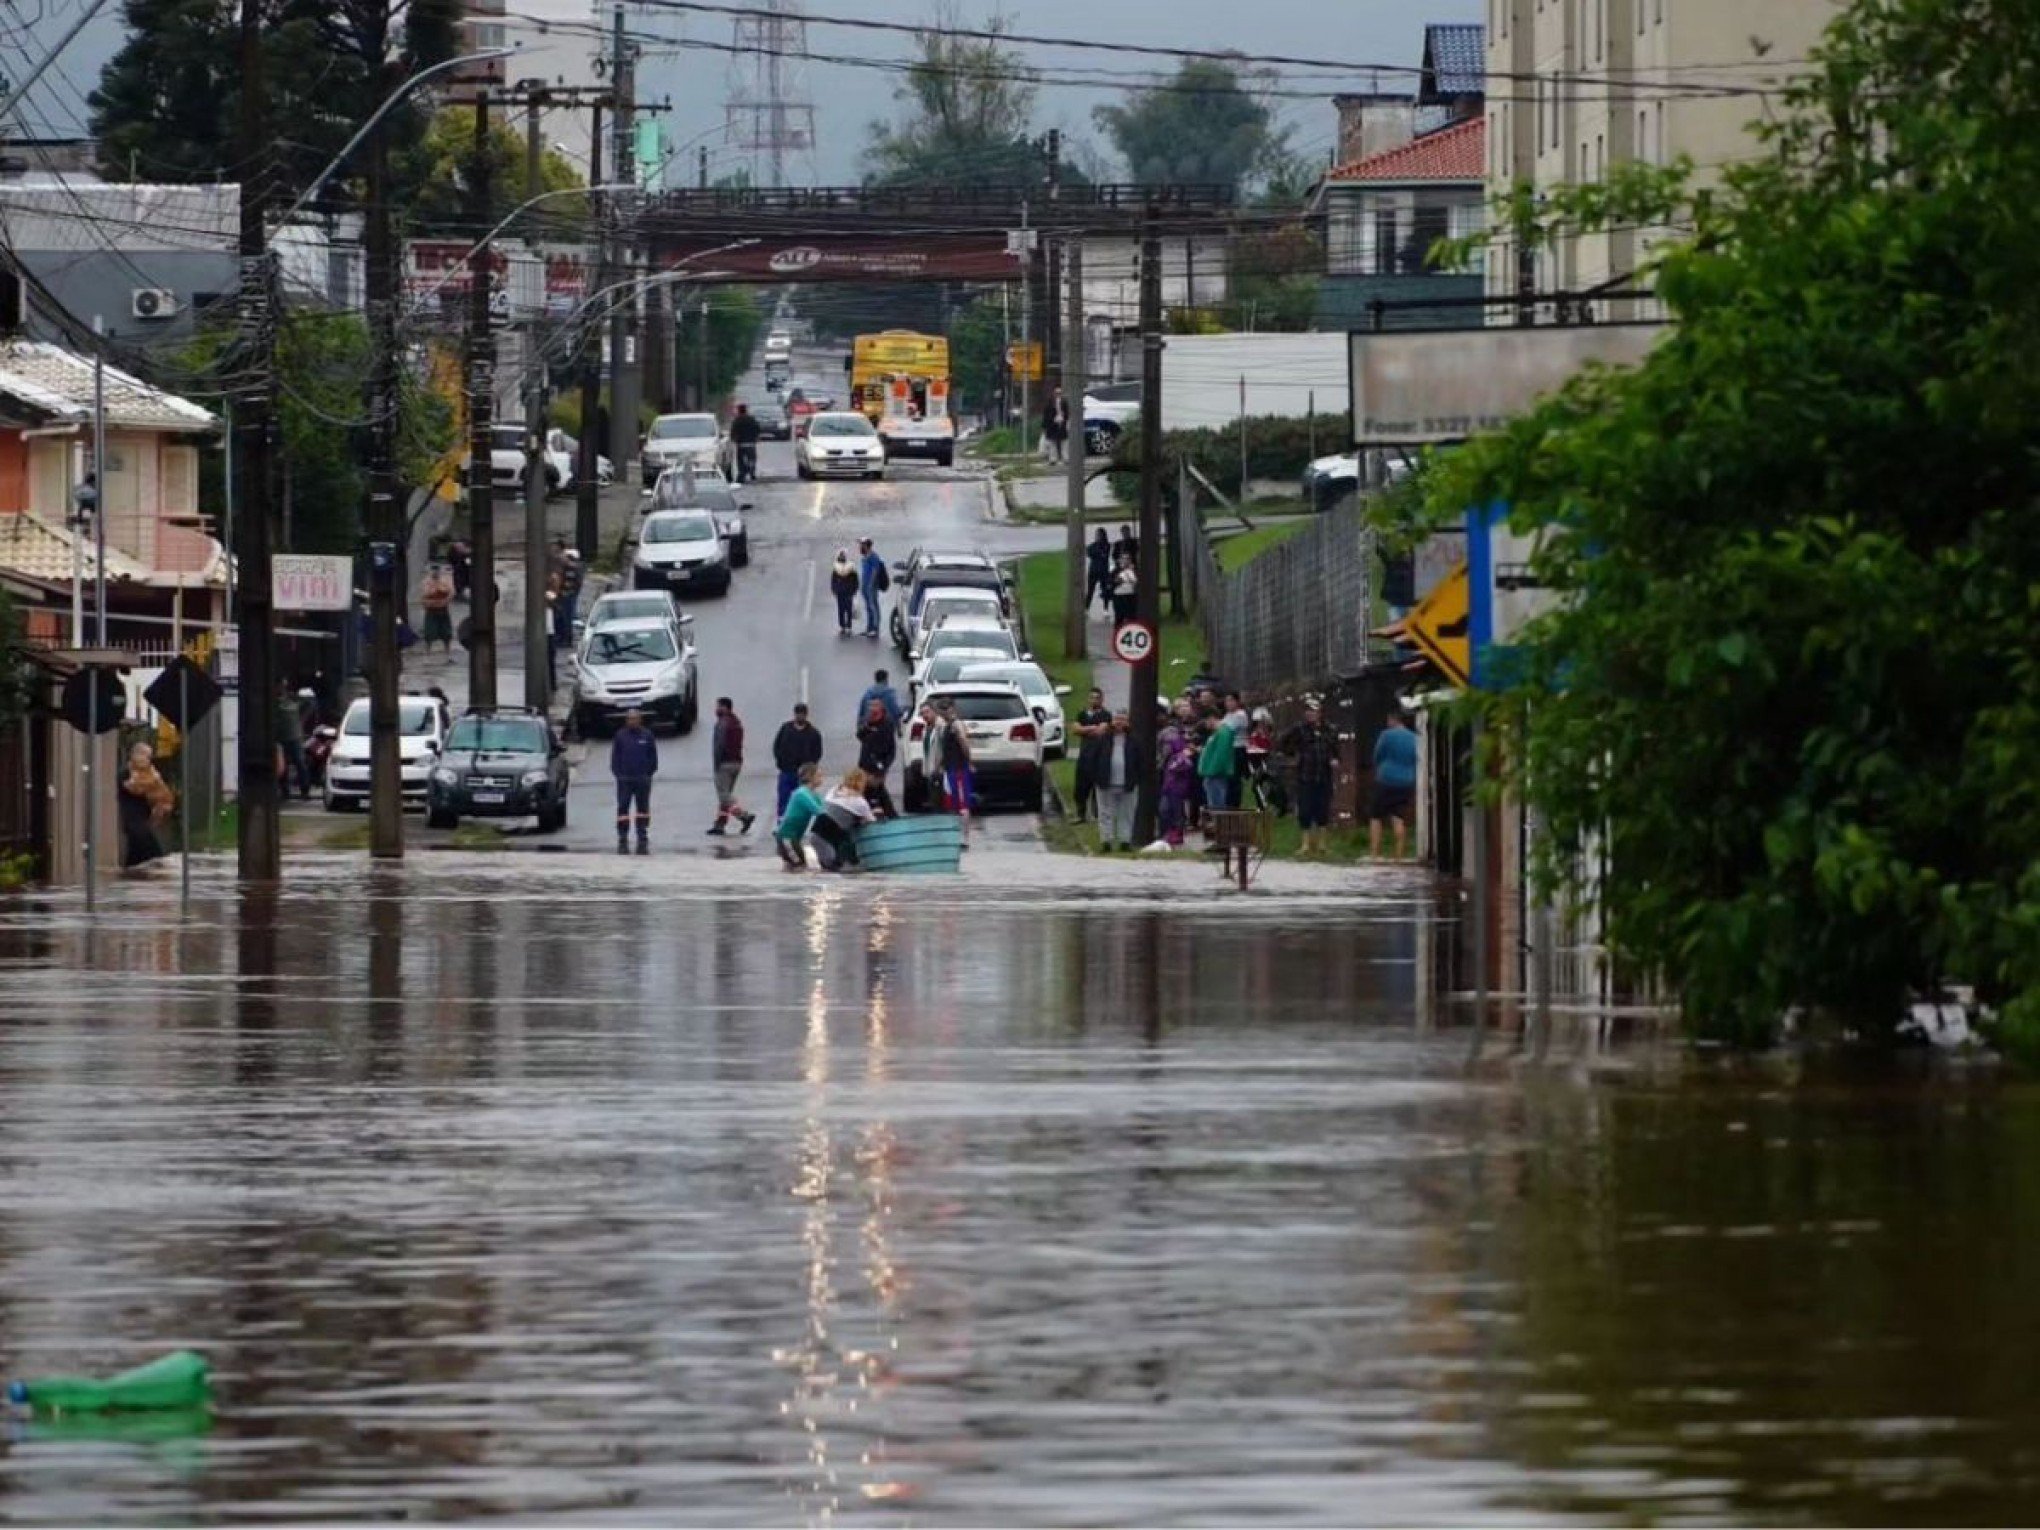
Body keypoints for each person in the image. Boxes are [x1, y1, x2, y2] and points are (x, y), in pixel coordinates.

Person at [1283, 700, 1340, 855]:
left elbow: (1335, 750)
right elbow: (1283, 742)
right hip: (1305, 775)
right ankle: (1305, 844)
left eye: (1313, 711)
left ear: (1320, 713)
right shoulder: (1299, 729)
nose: (1310, 714)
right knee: (1305, 809)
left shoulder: (1330, 730)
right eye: (1308, 711)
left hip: (1323, 775)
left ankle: (1322, 844)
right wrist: (1293, 755)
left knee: (1323, 809)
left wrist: (1334, 759)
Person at [1093, 709, 1148, 853]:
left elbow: (1141, 762)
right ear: (1112, 721)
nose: (1119, 722)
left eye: (1123, 719)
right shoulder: (1103, 739)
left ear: (1127, 722)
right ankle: (1106, 841)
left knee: (1127, 813)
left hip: (1127, 783)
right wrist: (1096, 777)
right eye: (1117, 719)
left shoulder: (1135, 740)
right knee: (1105, 813)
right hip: (1105, 782)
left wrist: (1137, 779)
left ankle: (1125, 841)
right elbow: (1093, 758)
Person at [1369, 708, 1419, 859]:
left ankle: (1375, 853)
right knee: (1398, 816)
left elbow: (1377, 755)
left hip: (1386, 779)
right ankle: (1399, 854)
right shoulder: (1414, 738)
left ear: (1392, 719)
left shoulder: (1386, 735)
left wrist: (1379, 767)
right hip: (1406, 781)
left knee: (1376, 816)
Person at [706, 696, 757, 836]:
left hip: (724, 763)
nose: (716, 709)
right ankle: (720, 824)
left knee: (724, 795)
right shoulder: (736, 722)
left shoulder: (723, 723)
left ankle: (744, 816)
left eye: (718, 706)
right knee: (726, 795)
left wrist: (717, 763)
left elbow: (719, 745)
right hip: (736, 763)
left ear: (725, 707)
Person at [611, 706, 659, 854]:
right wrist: (619, 774)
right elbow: (615, 758)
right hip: (625, 779)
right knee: (623, 808)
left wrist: (647, 774)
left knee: (642, 808)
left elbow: (653, 757)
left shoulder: (647, 735)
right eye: (629, 719)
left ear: (640, 720)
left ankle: (642, 833)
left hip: (642, 779)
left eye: (635, 718)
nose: (632, 721)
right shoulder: (620, 736)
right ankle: (623, 835)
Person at [120, 741, 175, 868]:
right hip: (133, 822)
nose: (147, 759)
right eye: (145, 755)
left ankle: (129, 877)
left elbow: (161, 792)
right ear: (134, 755)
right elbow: (132, 787)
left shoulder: (152, 774)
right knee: (156, 857)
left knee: (136, 860)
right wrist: (152, 782)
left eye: (149, 756)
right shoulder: (126, 773)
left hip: (145, 819)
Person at [809, 769, 878, 871]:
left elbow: (835, 812)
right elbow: (872, 822)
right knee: (841, 867)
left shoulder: (833, 790)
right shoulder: (859, 801)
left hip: (815, 835)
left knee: (828, 869)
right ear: (861, 783)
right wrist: (873, 813)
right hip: (830, 843)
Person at [931, 696, 974, 849]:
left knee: (962, 804)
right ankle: (955, 835)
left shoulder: (956, 725)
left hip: (959, 769)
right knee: (951, 804)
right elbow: (944, 750)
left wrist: (969, 761)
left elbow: (964, 743)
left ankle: (965, 837)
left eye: (946, 709)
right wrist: (939, 766)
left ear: (952, 709)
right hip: (949, 769)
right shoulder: (946, 726)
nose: (944, 712)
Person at [772, 701, 825, 820]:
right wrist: (780, 761)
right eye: (798, 714)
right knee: (783, 799)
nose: (800, 716)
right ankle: (781, 823)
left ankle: (797, 823)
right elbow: (777, 746)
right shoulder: (786, 729)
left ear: (806, 715)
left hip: (803, 775)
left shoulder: (813, 733)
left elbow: (817, 752)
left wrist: (809, 769)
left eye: (802, 714)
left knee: (801, 802)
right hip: (786, 770)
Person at [775, 762, 828, 870]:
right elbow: (818, 811)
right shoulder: (802, 794)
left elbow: (825, 811)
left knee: (792, 867)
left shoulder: (813, 794)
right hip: (787, 837)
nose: (822, 778)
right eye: (819, 776)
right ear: (810, 777)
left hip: (794, 838)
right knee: (800, 867)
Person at [1071, 686, 1112, 823]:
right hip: (1084, 756)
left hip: (1100, 756)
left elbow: (1102, 730)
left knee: (1098, 788)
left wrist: (1085, 730)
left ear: (1102, 699)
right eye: (1092, 697)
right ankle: (1080, 814)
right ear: (1088, 699)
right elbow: (1075, 729)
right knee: (1081, 787)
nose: (1094, 700)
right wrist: (1091, 728)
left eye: (1097, 698)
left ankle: (1097, 815)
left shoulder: (1106, 714)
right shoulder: (1082, 714)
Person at [1159, 707, 1198, 847]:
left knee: (1176, 809)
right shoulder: (1170, 742)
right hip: (1168, 781)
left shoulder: (1182, 747)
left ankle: (1176, 832)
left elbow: (1185, 763)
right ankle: (1167, 832)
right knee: (1165, 808)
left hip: (1178, 783)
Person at [856, 699, 899, 818]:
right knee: (871, 791)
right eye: (870, 706)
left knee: (876, 790)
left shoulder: (887, 724)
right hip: (865, 764)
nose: (872, 709)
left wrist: (883, 765)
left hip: (878, 764)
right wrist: (867, 726)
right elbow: (860, 736)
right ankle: (886, 814)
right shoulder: (868, 721)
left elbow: (890, 748)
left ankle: (886, 815)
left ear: (881, 708)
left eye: (875, 706)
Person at [274, 681, 310, 799]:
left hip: (295, 737)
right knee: (283, 767)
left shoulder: (293, 700)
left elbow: (308, 702)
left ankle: (305, 790)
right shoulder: (274, 702)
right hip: (281, 738)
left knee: (300, 763)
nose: (281, 689)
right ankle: (285, 791)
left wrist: (303, 720)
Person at [1198, 711, 1236, 812]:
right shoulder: (1217, 733)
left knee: (1217, 804)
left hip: (1215, 774)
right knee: (1213, 803)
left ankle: (1220, 825)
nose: (1205, 724)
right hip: (1211, 774)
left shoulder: (1223, 733)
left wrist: (1212, 771)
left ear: (1211, 718)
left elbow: (1221, 754)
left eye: (1205, 721)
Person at [857, 537, 890, 638]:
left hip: (871, 586)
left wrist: (871, 584)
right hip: (865, 585)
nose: (859, 547)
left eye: (861, 545)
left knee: (873, 606)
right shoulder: (865, 556)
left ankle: (875, 629)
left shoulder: (874, 557)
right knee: (868, 607)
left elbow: (875, 571)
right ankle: (869, 628)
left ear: (866, 545)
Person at [420, 564, 455, 656]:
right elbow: (424, 597)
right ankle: (427, 654)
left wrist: (445, 601)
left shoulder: (445, 580)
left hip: (443, 610)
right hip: (431, 610)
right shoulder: (426, 582)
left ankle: (448, 654)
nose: (435, 572)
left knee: (447, 633)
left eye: (437, 570)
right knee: (429, 634)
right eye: (433, 570)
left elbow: (451, 593)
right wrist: (430, 602)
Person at [553, 545, 583, 648]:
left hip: (567, 597)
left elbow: (569, 584)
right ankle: (563, 637)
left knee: (566, 618)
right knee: (563, 618)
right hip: (566, 596)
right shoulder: (572, 568)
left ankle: (565, 639)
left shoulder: (571, 569)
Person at [855, 668, 903, 733]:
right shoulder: (889, 692)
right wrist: (899, 729)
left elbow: (861, 713)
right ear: (886, 679)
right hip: (885, 729)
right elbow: (895, 712)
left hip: (869, 728)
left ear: (875, 679)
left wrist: (859, 729)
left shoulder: (868, 693)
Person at [729, 401, 762, 483]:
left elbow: (733, 432)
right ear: (746, 410)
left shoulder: (737, 420)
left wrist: (733, 439)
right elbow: (758, 429)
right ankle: (751, 472)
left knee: (740, 461)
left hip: (741, 444)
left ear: (739, 410)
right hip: (751, 444)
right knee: (752, 459)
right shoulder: (751, 419)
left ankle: (742, 473)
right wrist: (757, 437)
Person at [829, 549, 859, 636]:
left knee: (848, 609)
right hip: (841, 591)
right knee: (841, 609)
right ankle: (842, 626)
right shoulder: (837, 567)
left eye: (843, 555)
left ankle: (848, 626)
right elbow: (833, 579)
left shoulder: (850, 566)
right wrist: (834, 589)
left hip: (848, 591)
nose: (842, 557)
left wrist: (855, 589)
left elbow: (855, 579)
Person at [1085, 527, 1113, 614]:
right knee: (1090, 590)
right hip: (1093, 571)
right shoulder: (1092, 546)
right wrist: (1099, 553)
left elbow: (1104, 554)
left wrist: (1098, 553)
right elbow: (1090, 553)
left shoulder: (1107, 545)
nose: (1097, 536)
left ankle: (1106, 609)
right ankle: (1086, 608)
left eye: (1099, 535)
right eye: (1096, 535)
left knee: (1105, 590)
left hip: (1103, 571)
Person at [1041, 387, 1069, 464]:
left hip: (1062, 424)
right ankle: (1053, 459)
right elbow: (1046, 415)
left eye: (1059, 393)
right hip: (1052, 425)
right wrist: (1045, 426)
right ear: (1053, 393)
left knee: (1064, 442)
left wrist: (1064, 417)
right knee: (1052, 442)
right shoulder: (1049, 403)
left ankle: (1065, 458)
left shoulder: (1064, 402)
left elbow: (1067, 414)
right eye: (1056, 393)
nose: (1058, 395)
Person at [1110, 555, 1138, 627]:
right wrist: (1119, 580)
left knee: (1131, 616)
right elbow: (1111, 581)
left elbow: (1136, 582)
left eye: (1127, 559)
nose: (1125, 561)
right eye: (1123, 559)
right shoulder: (1116, 570)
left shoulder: (1133, 570)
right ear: (1120, 560)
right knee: (1119, 616)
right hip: (1118, 595)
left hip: (1130, 595)